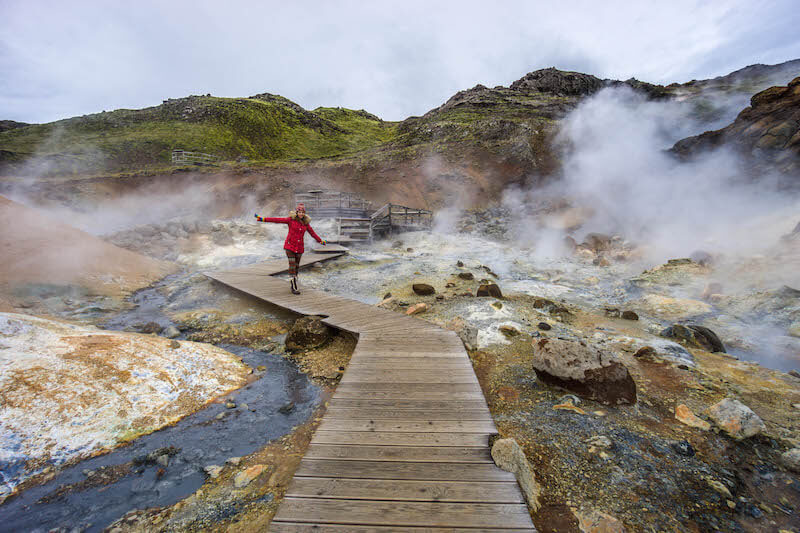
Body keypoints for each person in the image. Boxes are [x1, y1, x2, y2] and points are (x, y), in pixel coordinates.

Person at [254, 203, 326, 294]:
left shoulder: (306, 224)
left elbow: (313, 233)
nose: (301, 214)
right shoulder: (290, 220)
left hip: (299, 248)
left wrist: (320, 241)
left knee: (296, 267)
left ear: (304, 213)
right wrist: (263, 219)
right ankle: (294, 287)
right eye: (299, 212)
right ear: (297, 212)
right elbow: (277, 220)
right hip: (290, 247)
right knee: (292, 266)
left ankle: (293, 282)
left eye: (302, 212)